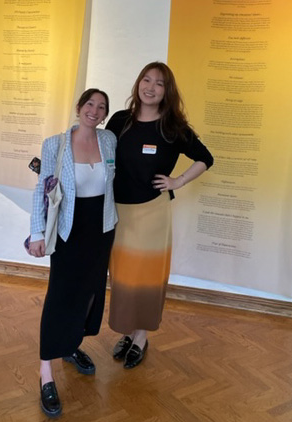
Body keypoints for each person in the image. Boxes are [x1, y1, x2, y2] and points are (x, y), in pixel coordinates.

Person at [105, 61, 213, 369]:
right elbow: (101, 154)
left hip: (153, 211)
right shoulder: (120, 120)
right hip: (118, 211)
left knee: (147, 276)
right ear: (138, 83)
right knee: (124, 276)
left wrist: (177, 180)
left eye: (159, 83)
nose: (150, 87)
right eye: (146, 80)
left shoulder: (172, 127)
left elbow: (205, 158)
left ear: (167, 91)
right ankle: (126, 331)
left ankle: (141, 336)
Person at [27, 89, 117, 417]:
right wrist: (37, 231)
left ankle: (71, 345)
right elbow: (43, 187)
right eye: (89, 104)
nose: (94, 110)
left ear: (106, 114)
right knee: (61, 296)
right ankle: (46, 371)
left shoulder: (109, 141)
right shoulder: (56, 144)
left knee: (89, 293)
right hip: (68, 230)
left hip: (102, 228)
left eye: (101, 107)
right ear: (79, 108)